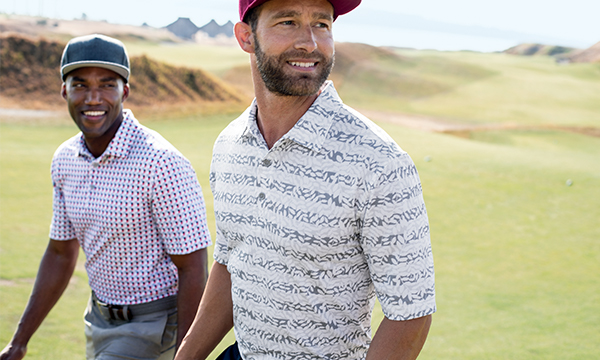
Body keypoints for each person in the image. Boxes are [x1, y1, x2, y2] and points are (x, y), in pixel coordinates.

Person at [176, 0, 436, 359]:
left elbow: (411, 314)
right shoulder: (230, 145)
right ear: (245, 37)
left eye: (322, 24)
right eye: (287, 22)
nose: (310, 43)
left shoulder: (379, 162)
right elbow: (231, 261)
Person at [0, 34, 211, 360]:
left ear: (124, 91)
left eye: (107, 85)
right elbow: (60, 252)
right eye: (80, 85)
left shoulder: (160, 162)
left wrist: (186, 355)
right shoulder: (65, 158)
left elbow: (194, 267)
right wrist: (19, 341)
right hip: (98, 320)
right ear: (64, 91)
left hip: (156, 325)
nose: (93, 98)